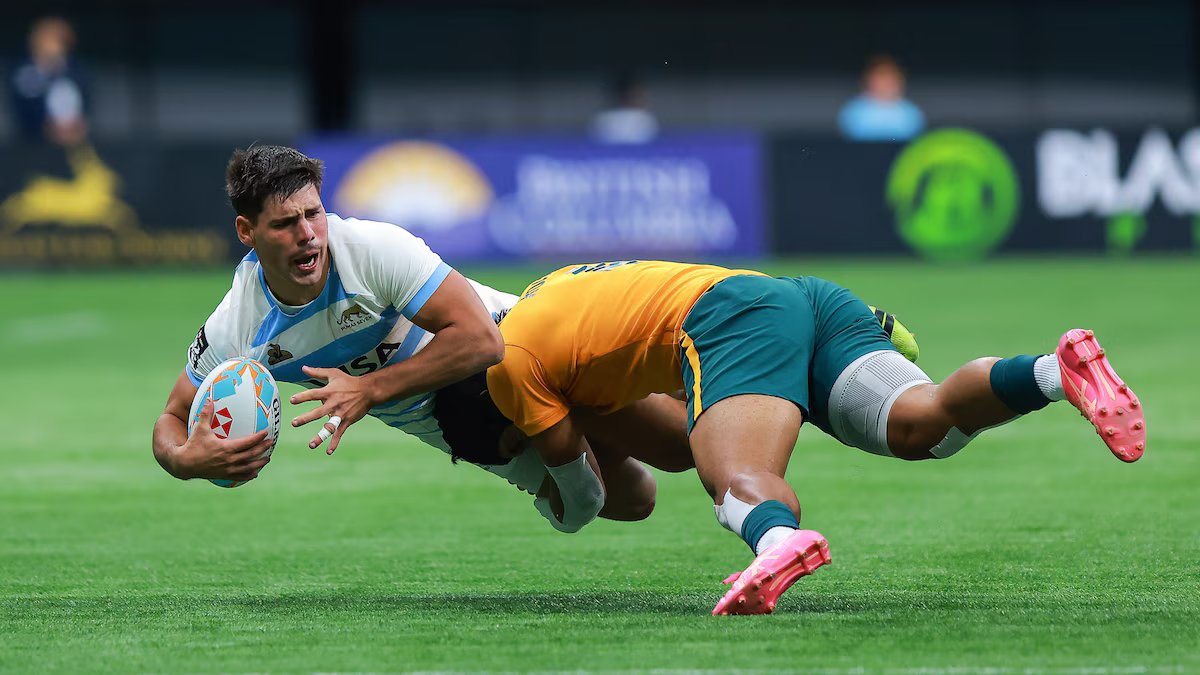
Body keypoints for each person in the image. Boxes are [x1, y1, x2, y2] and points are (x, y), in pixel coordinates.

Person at [485, 260, 1145, 615]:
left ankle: (776, 541)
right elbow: (669, 442)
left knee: (733, 476)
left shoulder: (507, 364)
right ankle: (1055, 373)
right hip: (799, 296)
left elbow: (585, 494)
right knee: (923, 425)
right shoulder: (553, 294)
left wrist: (544, 490)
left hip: (731, 318)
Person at [150, 145, 674, 524]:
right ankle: (571, 432)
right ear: (248, 232)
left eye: (314, 214)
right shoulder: (239, 323)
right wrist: (186, 459)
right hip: (457, 423)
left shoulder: (373, 250)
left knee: (678, 442)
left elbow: (480, 341)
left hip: (517, 348)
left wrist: (368, 389)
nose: (308, 234)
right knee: (635, 500)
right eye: (286, 224)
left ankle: (753, 522)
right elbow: (174, 416)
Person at [7, 16, 88, 146]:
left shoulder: (76, 71)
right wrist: (48, 128)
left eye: (59, 41)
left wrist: (77, 126)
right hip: (35, 145)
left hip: (74, 142)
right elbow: (24, 110)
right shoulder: (24, 73)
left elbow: (86, 100)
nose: (53, 46)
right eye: (49, 40)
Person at [838, 55, 924, 142]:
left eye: (889, 78)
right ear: (868, 80)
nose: (885, 83)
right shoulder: (854, 111)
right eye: (880, 78)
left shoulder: (910, 112)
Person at [590, 71, 658, 145]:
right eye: (634, 96)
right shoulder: (603, 120)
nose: (640, 100)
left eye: (639, 96)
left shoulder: (646, 118)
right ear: (623, 97)